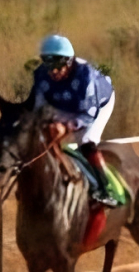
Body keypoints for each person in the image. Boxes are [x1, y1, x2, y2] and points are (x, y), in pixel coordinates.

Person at [30, 34, 117, 207]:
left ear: (69, 62)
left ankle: (106, 189)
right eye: (48, 65)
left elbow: (88, 114)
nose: (53, 71)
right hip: (65, 105)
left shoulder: (86, 77)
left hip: (96, 106)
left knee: (85, 141)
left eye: (58, 66)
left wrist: (66, 127)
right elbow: (38, 107)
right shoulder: (41, 75)